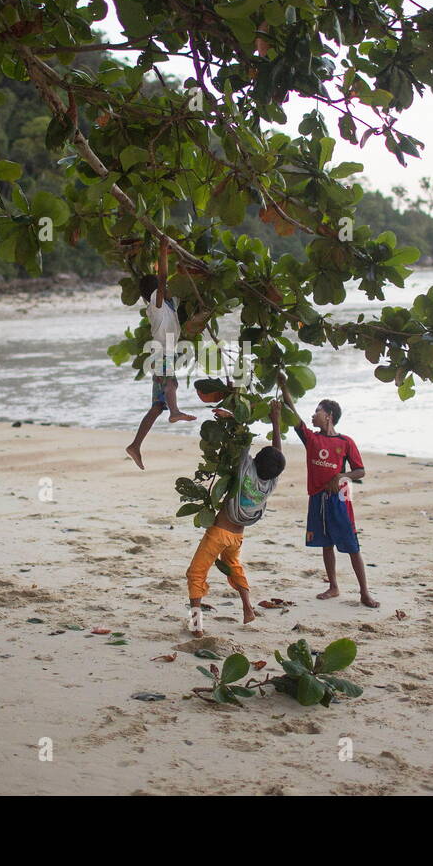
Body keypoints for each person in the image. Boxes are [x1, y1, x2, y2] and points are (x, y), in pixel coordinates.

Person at [185, 401, 285, 632]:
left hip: (219, 533)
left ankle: (196, 625)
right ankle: (248, 608)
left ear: (255, 460)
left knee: (196, 574)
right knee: (234, 565)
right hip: (238, 536)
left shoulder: (244, 469)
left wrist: (232, 416)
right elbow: (276, 454)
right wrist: (276, 422)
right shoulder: (269, 484)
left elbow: (242, 441)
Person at [280, 389, 379, 608]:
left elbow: (360, 471)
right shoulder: (311, 439)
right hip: (317, 497)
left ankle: (364, 592)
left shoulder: (345, 442)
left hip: (340, 499)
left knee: (352, 544)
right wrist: (285, 387)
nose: (313, 415)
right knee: (326, 543)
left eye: (317, 411)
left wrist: (341, 475)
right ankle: (333, 586)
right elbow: (293, 414)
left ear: (329, 415)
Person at [125, 269, 195, 470]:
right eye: (164, 288)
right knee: (170, 383)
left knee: (157, 407)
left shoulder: (169, 306)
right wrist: (164, 248)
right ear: (157, 291)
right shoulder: (156, 305)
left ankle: (135, 445)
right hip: (163, 353)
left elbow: (174, 287)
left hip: (162, 353)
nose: (167, 289)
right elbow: (163, 278)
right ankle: (175, 412)